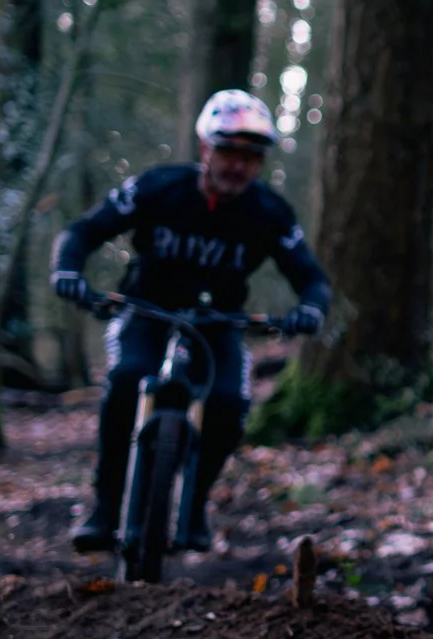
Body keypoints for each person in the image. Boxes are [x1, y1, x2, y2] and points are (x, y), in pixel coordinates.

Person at [49, 89, 332, 553]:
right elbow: (82, 231)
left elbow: (312, 279)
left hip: (219, 323)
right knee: (126, 379)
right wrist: (67, 272)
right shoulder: (159, 187)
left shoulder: (270, 212)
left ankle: (195, 505)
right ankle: (104, 507)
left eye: (250, 157)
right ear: (205, 149)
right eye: (227, 152)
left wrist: (310, 310)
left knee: (229, 402)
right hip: (146, 311)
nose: (237, 166)